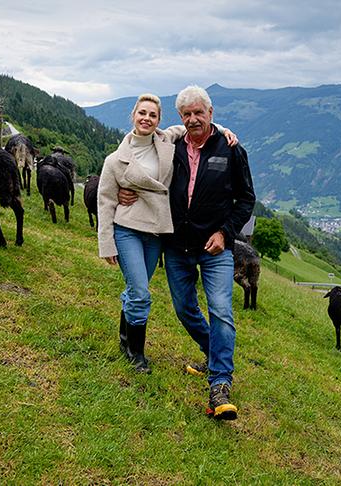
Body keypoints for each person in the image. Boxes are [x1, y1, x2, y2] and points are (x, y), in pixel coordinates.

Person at [123, 85, 255, 420]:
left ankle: (220, 384)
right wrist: (125, 191)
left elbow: (246, 200)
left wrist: (225, 233)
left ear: (211, 113)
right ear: (181, 118)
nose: (194, 119)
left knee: (222, 310)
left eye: (200, 112)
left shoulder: (231, 149)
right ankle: (214, 355)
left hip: (215, 249)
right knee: (184, 310)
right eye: (187, 114)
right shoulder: (171, 145)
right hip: (177, 247)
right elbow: (136, 147)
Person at [97, 93, 237, 374]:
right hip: (128, 229)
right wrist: (106, 243)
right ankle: (136, 354)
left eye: (153, 115)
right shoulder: (115, 160)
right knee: (140, 291)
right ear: (133, 116)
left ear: (159, 121)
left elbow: (196, 123)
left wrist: (223, 130)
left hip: (157, 232)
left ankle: (125, 338)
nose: (147, 118)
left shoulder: (167, 141)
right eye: (142, 113)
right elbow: (105, 200)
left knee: (135, 290)